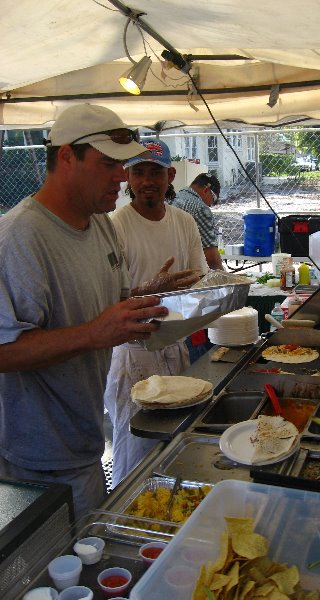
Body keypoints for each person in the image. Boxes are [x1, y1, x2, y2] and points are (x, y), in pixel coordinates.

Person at [0, 103, 171, 520]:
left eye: (122, 164)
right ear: (65, 156)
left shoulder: (101, 224)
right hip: (37, 458)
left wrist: (145, 296)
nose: (121, 175)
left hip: (86, 439)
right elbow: (5, 351)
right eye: (108, 163)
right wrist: (96, 333)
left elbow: (102, 307)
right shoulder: (20, 236)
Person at [104, 139, 208, 488]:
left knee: (173, 445)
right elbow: (105, 301)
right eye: (139, 172)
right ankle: (124, 525)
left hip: (174, 348)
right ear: (127, 178)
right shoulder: (115, 226)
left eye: (155, 172)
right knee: (134, 453)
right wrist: (148, 291)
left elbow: (200, 282)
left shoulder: (184, 222)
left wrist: (196, 291)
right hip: (132, 356)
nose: (147, 180)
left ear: (170, 176)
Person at [171, 173, 224, 270]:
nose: (209, 205)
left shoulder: (173, 198)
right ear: (206, 189)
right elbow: (212, 259)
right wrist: (228, 281)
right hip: (183, 274)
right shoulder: (200, 208)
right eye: (212, 201)